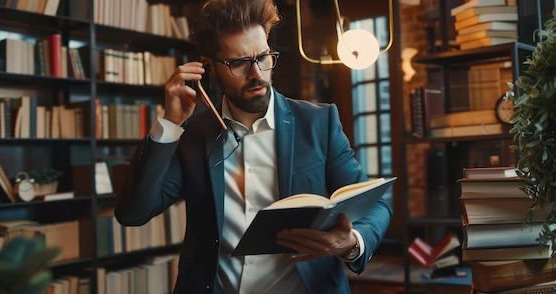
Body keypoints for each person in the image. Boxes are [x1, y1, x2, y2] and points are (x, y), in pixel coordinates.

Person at [115, 0, 393, 292]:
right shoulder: (192, 136)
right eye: (239, 63)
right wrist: (170, 123)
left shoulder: (318, 122)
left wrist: (351, 243)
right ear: (207, 67)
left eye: (263, 57)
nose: (257, 73)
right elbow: (133, 213)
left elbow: (375, 205)